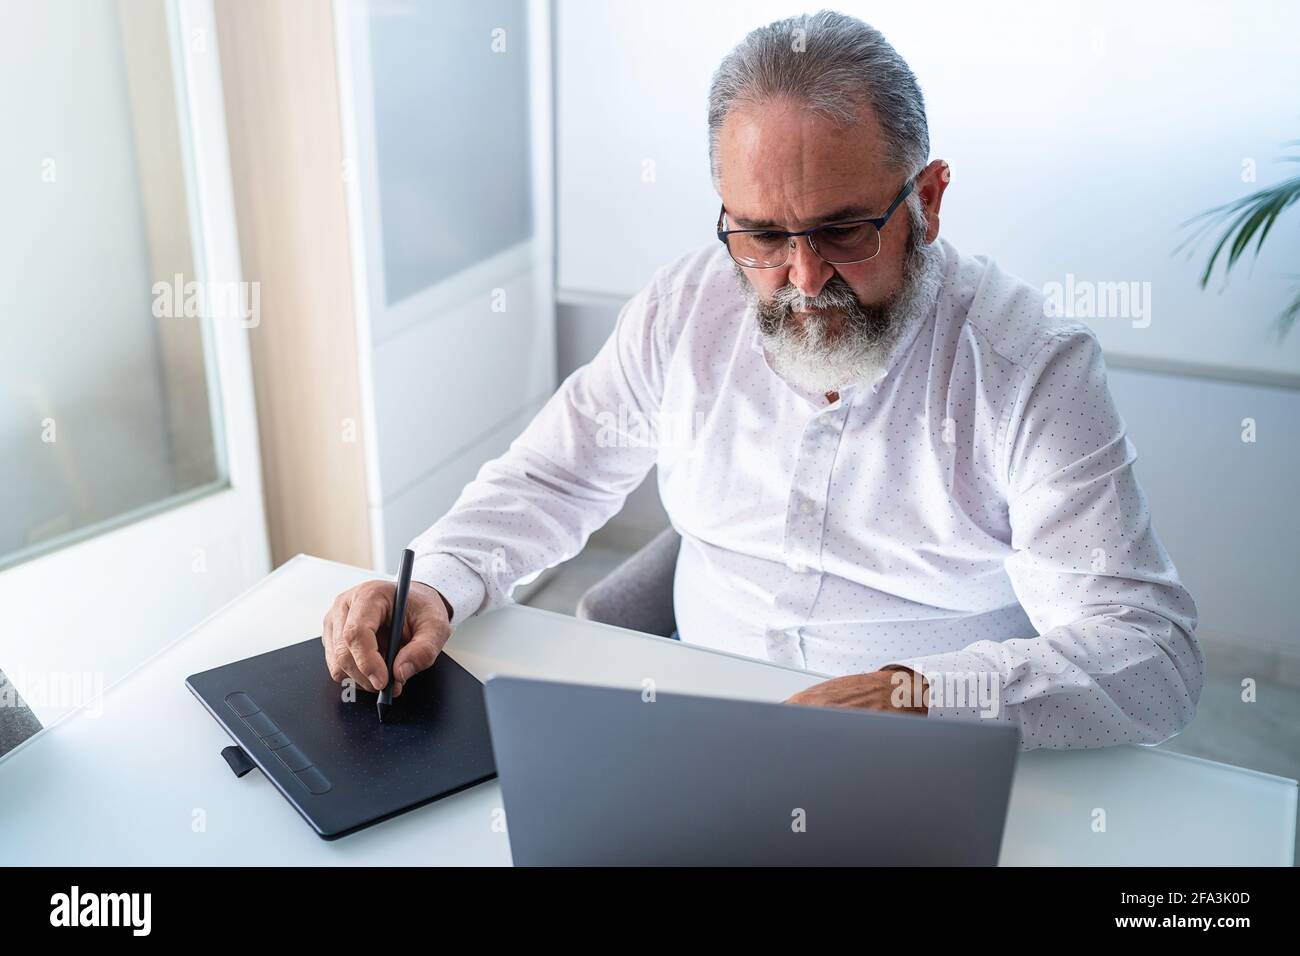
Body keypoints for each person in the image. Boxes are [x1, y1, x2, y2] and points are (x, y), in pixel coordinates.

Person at [321, 10, 1201, 750]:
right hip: (695, 736)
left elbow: (1151, 659)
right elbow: (555, 476)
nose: (804, 280)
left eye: (846, 230)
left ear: (928, 199)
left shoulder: (1029, 370)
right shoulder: (687, 306)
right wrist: (435, 581)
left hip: (923, 753)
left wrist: (917, 694)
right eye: (763, 238)